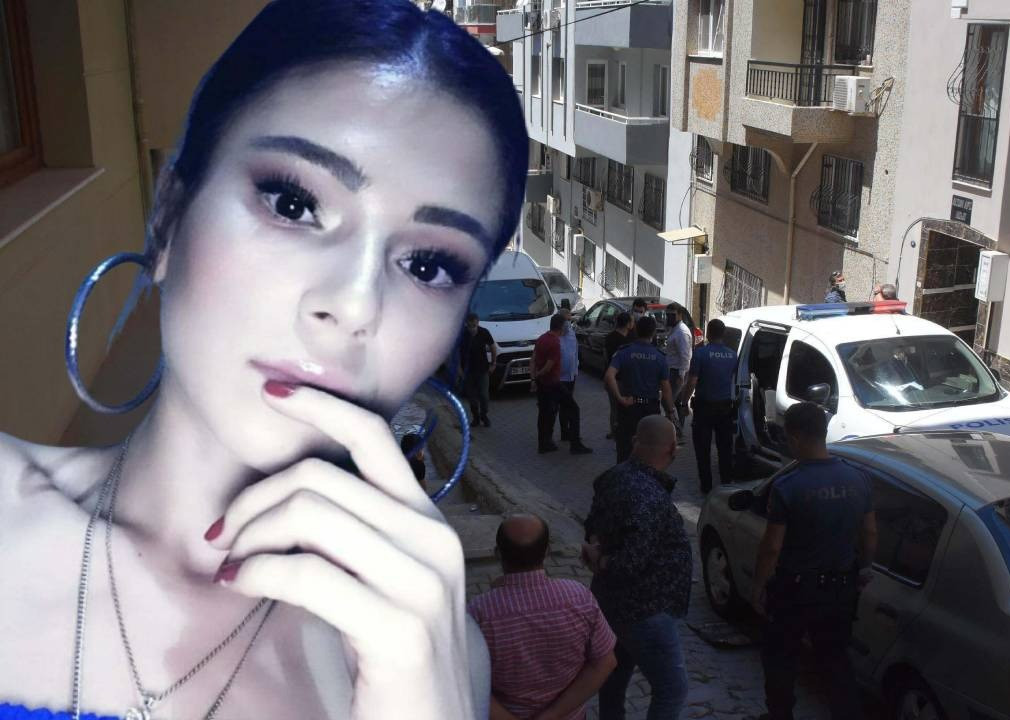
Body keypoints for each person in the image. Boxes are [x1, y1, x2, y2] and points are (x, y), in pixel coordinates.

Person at [0, 2, 528, 717]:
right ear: (169, 217)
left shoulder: (437, 657)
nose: (354, 304)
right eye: (293, 202)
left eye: (429, 266)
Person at [751, 403, 878, 720]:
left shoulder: (788, 486)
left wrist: (759, 585)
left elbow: (772, 547)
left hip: (795, 590)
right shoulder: (859, 479)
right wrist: (865, 567)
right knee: (835, 660)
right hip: (840, 588)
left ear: (794, 437)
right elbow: (870, 532)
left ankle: (780, 716)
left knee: (781, 658)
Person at [582, 416, 691, 720]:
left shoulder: (613, 477)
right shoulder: (648, 496)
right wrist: (601, 560)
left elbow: (592, 526)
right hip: (645, 611)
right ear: (673, 449)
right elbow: (630, 562)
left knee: (614, 680)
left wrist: (594, 548)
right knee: (672, 689)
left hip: (610, 605)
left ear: (634, 442)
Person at [469, 515, 618, 720]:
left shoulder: (479, 613)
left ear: (497, 553)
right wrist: (552, 715)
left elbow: (466, 683)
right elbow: (605, 663)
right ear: (547, 552)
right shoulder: (579, 597)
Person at [676, 319, 738, 493]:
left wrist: (683, 402)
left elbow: (692, 381)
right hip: (725, 408)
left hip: (704, 408)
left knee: (702, 449)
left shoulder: (701, 353)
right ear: (723, 334)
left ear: (708, 333)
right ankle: (726, 483)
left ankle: (706, 486)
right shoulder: (732, 355)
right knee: (725, 448)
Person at [604, 316, 676, 463]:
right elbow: (666, 389)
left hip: (628, 408)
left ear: (636, 330)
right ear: (653, 333)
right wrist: (670, 411)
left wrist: (619, 398)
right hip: (650, 409)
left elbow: (609, 376)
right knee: (650, 451)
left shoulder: (624, 352)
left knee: (625, 450)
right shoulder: (660, 357)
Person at [532, 314, 591, 455]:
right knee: (573, 409)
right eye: (566, 324)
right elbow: (548, 366)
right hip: (553, 383)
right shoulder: (555, 343)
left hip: (544, 384)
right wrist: (538, 375)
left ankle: (544, 444)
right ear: (561, 326)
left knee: (545, 413)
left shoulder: (542, 338)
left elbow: (532, 359)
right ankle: (575, 445)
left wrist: (534, 379)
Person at [664, 304, 693, 440]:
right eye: (668, 314)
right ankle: (677, 433)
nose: (669, 317)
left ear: (680, 315)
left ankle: (676, 431)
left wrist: (681, 376)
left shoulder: (682, 332)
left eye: (672, 314)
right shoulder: (675, 329)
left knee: (668, 402)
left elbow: (685, 356)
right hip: (674, 371)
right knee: (676, 403)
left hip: (678, 372)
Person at [463, 312, 498, 427]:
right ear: (466, 324)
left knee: (484, 395)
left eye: (474, 325)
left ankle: (484, 415)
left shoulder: (484, 332)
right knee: (472, 397)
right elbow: (456, 353)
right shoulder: (463, 335)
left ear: (478, 323)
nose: (472, 328)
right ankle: (475, 417)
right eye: (470, 326)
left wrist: (493, 363)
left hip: (482, 369)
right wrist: (459, 370)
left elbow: (493, 347)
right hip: (468, 370)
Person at [603, 312, 633, 441]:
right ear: (627, 324)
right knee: (620, 407)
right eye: (632, 321)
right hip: (619, 379)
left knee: (614, 407)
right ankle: (618, 432)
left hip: (614, 377)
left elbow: (605, 356)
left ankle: (615, 431)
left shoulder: (610, 337)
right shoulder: (628, 339)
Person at [557, 301, 582, 445]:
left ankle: (567, 433)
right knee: (566, 406)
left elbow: (575, 352)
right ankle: (567, 434)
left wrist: (576, 368)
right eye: (566, 320)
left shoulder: (571, 333)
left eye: (569, 320)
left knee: (567, 405)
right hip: (560, 377)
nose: (568, 323)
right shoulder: (556, 336)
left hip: (571, 375)